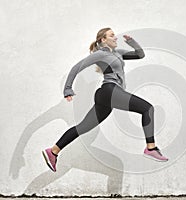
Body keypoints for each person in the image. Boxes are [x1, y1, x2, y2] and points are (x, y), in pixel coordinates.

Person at [42, 27, 168, 172]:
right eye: (112, 35)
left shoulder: (118, 54)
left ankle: (53, 151)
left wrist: (132, 42)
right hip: (109, 91)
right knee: (147, 108)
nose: (116, 38)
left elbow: (140, 55)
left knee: (83, 127)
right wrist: (67, 89)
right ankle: (151, 148)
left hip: (108, 95)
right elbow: (77, 67)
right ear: (103, 40)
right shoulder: (100, 54)